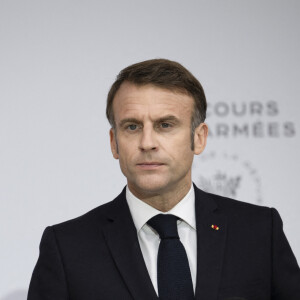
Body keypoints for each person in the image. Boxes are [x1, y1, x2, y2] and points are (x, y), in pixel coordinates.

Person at [28, 59, 300, 300]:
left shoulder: (260, 232)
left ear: (199, 137)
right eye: (132, 127)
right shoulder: (67, 247)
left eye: (165, 125)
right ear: (114, 143)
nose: (147, 142)